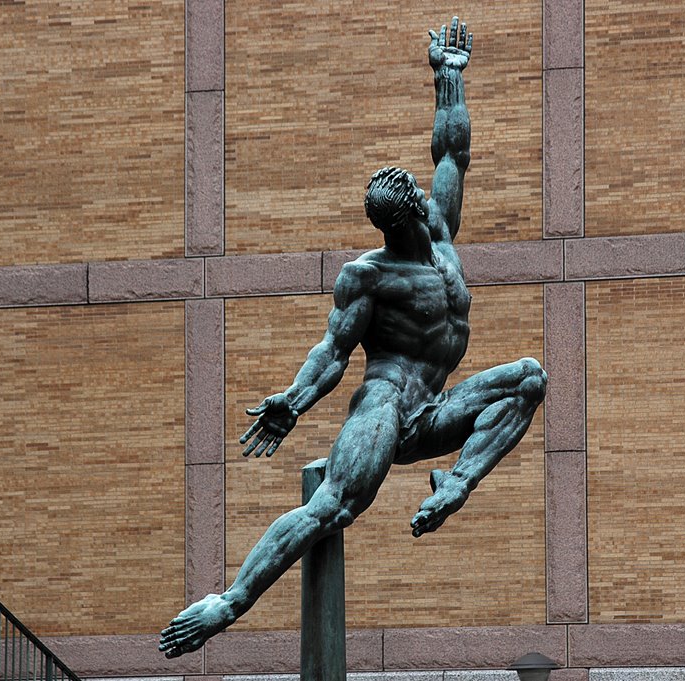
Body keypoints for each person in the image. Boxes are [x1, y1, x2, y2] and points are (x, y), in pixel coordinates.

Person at [159, 16, 546, 659]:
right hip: (387, 406)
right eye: (389, 228)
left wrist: (448, 78)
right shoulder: (367, 276)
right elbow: (334, 352)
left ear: (416, 212)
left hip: (436, 406)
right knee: (332, 507)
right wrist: (294, 399)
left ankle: (456, 483)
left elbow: (453, 153)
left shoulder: (442, 236)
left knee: (529, 377)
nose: (396, 234)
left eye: (402, 221)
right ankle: (227, 603)